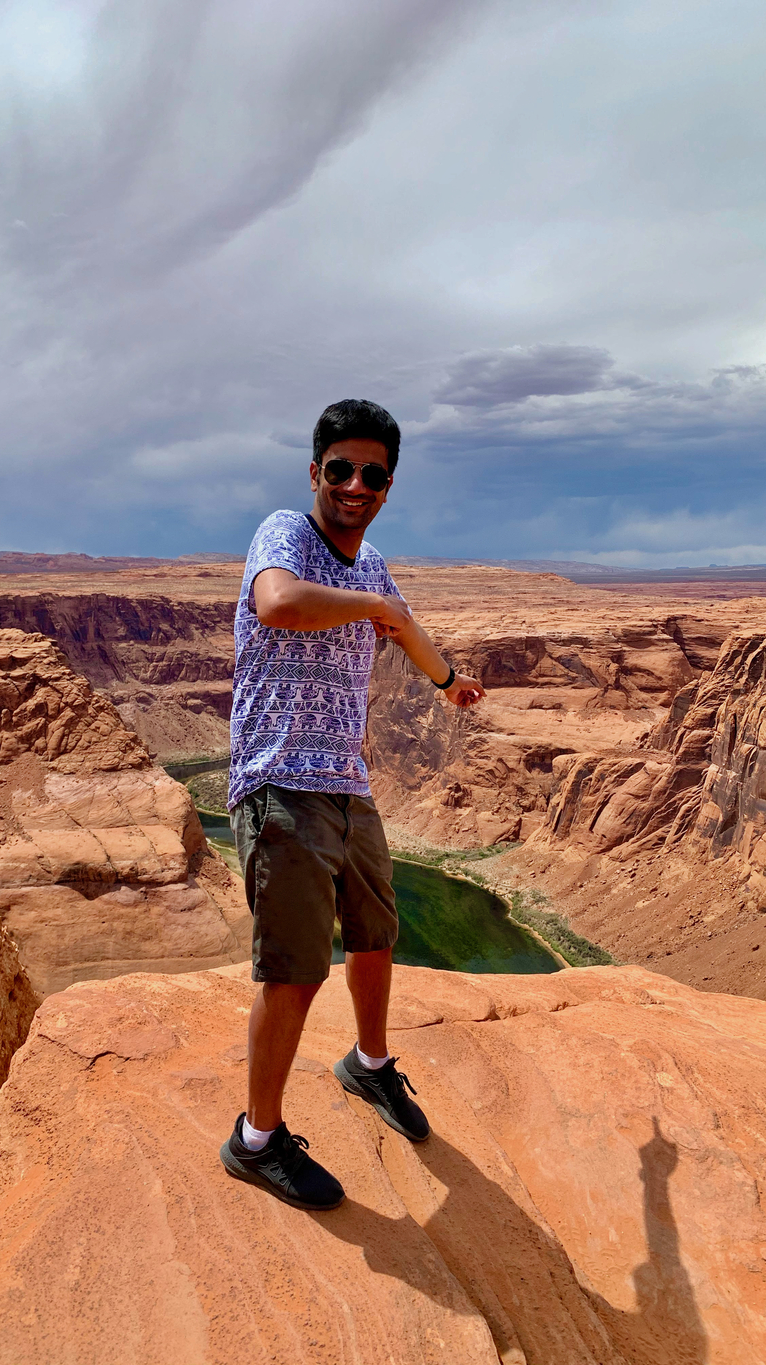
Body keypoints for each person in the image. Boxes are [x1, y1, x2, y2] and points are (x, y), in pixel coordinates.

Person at [219, 398, 485, 1211]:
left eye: (372, 473)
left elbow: (404, 627)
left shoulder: (372, 567)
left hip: (347, 782)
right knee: (294, 970)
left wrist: (449, 682)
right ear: (315, 472)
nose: (355, 484)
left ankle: (367, 1065)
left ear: (388, 484)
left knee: (375, 934)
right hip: (278, 781)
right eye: (341, 469)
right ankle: (255, 1139)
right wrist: (377, 609)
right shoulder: (286, 535)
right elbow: (279, 603)